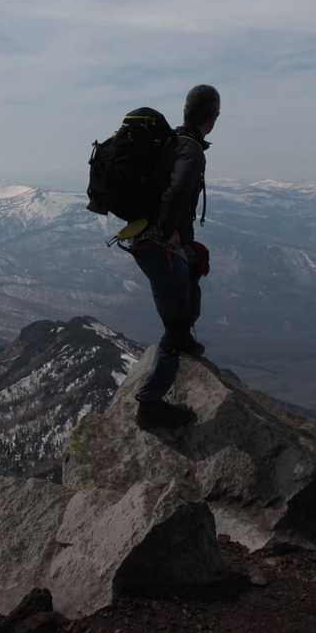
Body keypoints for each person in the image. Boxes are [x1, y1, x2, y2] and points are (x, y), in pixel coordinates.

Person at [126, 84, 219, 425]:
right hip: (158, 245)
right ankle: (150, 405)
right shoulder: (191, 151)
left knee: (195, 264)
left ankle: (185, 337)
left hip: (149, 239)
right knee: (174, 326)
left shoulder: (171, 142)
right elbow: (178, 189)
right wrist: (167, 232)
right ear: (212, 118)